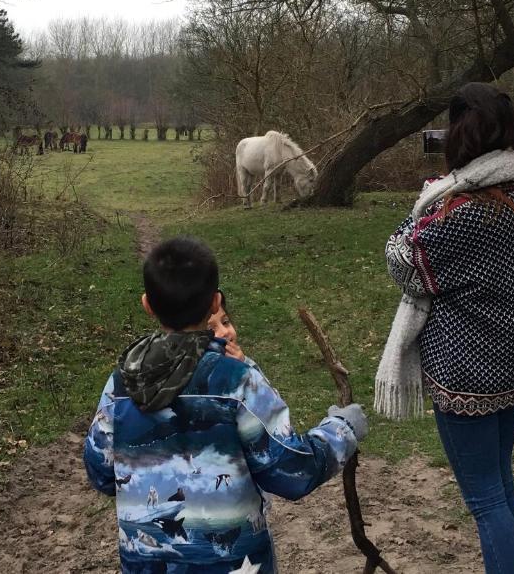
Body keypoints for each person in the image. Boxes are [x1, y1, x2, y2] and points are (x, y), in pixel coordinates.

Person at [84, 236, 368, 573]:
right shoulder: (235, 379)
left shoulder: (120, 382)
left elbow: (101, 472)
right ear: (215, 300)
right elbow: (289, 470)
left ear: (147, 304)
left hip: (146, 564)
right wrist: (341, 430)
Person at [375, 82, 514, 574]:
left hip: (468, 370)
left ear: (461, 136)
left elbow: (403, 260)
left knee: (485, 500)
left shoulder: (460, 212)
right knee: (500, 482)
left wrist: (427, 204)